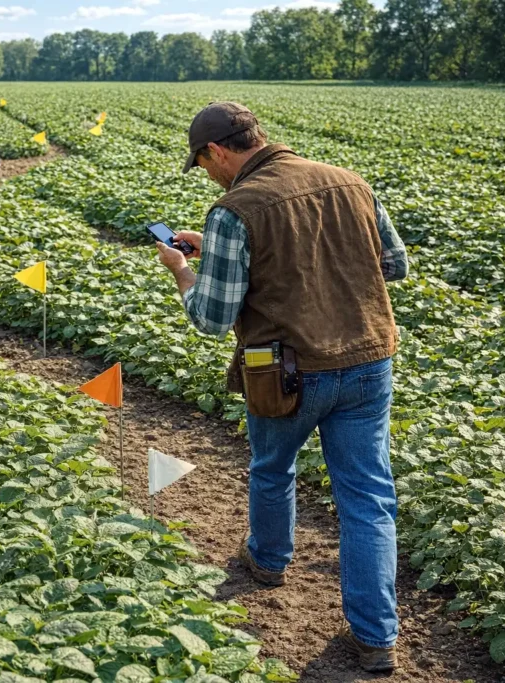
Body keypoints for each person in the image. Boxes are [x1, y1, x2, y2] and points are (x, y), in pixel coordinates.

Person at [155, 102, 409, 673]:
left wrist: (183, 269)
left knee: (273, 467)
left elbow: (212, 316)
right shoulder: (350, 182)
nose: (209, 175)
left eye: (203, 164)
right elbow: (393, 266)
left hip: (285, 371)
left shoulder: (235, 207)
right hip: (368, 361)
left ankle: (268, 562)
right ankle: (377, 638)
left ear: (216, 151)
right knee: (368, 498)